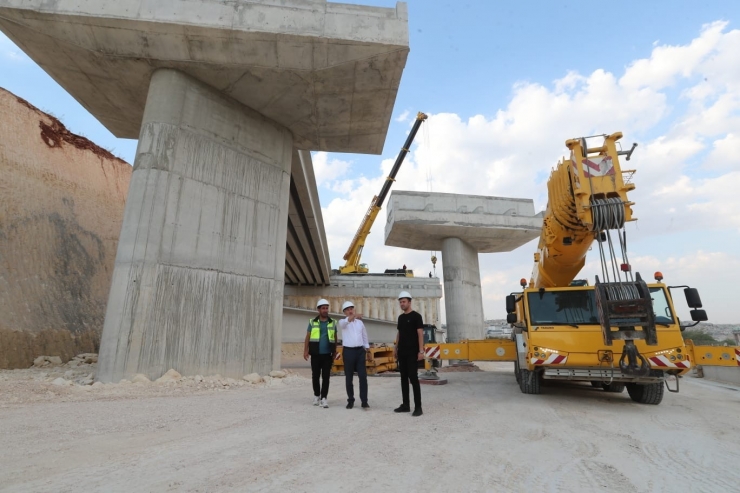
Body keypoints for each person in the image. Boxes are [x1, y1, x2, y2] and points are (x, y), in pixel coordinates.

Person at [393, 291, 424, 416]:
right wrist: (396, 348)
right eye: (400, 302)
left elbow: (420, 334)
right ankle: (406, 405)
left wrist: (421, 351)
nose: (402, 304)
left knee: (413, 378)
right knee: (403, 379)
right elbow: (399, 333)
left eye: (404, 301)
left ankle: (418, 407)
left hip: (412, 352)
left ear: (409, 302)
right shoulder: (401, 318)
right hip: (402, 352)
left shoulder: (416, 316)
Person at [303, 298, 336, 408]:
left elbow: (335, 338)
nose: (325, 310)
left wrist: (335, 352)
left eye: (327, 308)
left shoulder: (332, 322)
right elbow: (307, 337)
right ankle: (317, 395)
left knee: (326, 377)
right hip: (315, 354)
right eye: (323, 308)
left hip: (327, 355)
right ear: (318, 310)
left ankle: (324, 398)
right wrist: (305, 350)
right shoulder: (312, 322)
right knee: (315, 376)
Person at [338, 301, 370, 409]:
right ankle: (350, 400)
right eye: (347, 309)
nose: (350, 310)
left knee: (363, 377)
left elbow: (364, 337)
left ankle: (364, 401)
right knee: (349, 377)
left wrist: (368, 350)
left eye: (352, 308)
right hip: (348, 351)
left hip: (360, 351)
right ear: (344, 312)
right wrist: (354, 316)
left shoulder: (360, 323)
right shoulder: (343, 322)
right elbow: (346, 322)